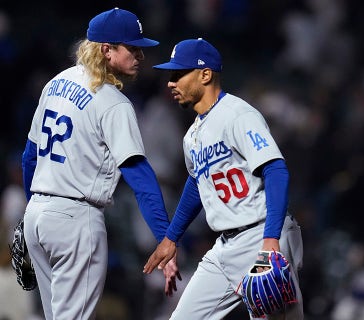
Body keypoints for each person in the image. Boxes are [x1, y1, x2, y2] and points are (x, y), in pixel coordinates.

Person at [20, 7, 179, 320]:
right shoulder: (114, 103)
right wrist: (165, 236)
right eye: (132, 48)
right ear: (107, 50)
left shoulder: (55, 83)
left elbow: (29, 157)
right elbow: (140, 177)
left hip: (38, 216)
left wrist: (32, 210)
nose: (141, 56)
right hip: (75, 221)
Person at [143, 38, 304, 319]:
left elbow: (276, 170)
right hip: (224, 246)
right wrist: (171, 238)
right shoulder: (192, 135)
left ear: (205, 74)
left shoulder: (238, 115)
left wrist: (270, 239)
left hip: (261, 235)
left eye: (178, 74)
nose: (171, 82)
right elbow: (197, 184)